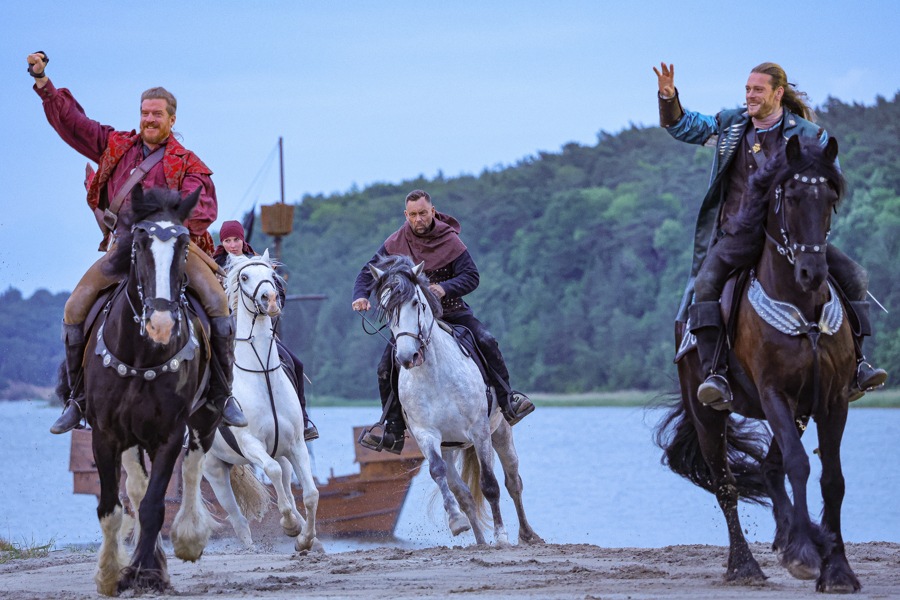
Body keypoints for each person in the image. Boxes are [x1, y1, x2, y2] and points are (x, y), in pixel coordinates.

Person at [27, 51, 247, 433]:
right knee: (75, 306)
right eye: (145, 113)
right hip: (124, 247)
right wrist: (45, 85)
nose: (149, 119)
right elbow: (75, 125)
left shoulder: (189, 163)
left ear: (172, 120)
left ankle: (222, 394)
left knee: (217, 304)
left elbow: (204, 205)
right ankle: (77, 399)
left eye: (157, 114)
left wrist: (166, 223)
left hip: (178, 249)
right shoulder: (117, 146)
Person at [654, 61, 887, 405]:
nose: (750, 96)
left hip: (794, 238)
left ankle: (858, 367)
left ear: (777, 93)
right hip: (737, 234)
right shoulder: (731, 125)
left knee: (855, 275)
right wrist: (668, 97)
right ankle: (715, 373)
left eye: (757, 90)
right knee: (704, 285)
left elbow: (831, 181)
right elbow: (685, 126)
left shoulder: (810, 134)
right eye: (747, 89)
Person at [351, 189, 534, 454]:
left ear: (433, 211)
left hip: (451, 310)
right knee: (384, 366)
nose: (418, 219)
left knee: (487, 340)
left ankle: (508, 402)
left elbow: (471, 276)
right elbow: (367, 273)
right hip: (414, 319)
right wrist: (360, 296)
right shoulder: (396, 241)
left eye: (423, 213)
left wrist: (445, 288)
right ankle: (391, 429)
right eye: (412, 215)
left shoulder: (451, 241)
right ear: (406, 215)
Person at [213, 220, 319, 441]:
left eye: (236, 239)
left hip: (262, 334)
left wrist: (273, 299)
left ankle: (303, 420)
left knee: (296, 365)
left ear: (243, 239)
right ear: (222, 242)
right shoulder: (214, 266)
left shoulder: (259, 263)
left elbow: (279, 295)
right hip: (226, 335)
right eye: (227, 240)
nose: (232, 245)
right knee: (208, 370)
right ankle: (204, 422)